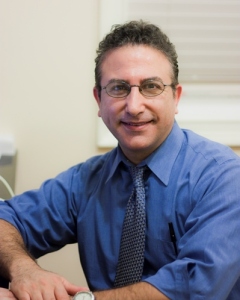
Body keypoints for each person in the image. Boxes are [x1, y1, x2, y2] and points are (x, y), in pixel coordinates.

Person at [0, 20, 240, 300]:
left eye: (151, 86)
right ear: (98, 100)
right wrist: (23, 269)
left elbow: (195, 286)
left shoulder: (223, 177)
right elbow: (8, 218)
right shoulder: (85, 181)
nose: (134, 106)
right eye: (118, 88)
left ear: (175, 98)